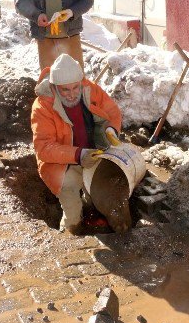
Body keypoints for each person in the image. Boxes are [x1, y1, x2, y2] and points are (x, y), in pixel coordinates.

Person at [31, 54, 122, 234]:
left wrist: (111, 130)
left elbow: (112, 111)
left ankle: (91, 213)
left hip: (93, 154)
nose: (72, 94)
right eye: (65, 90)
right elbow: (44, 148)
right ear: (55, 87)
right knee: (73, 214)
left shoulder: (89, 89)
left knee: (99, 195)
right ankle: (70, 234)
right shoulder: (42, 107)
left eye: (75, 87)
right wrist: (78, 155)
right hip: (61, 164)